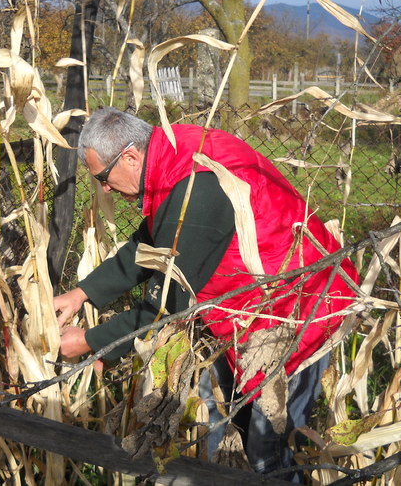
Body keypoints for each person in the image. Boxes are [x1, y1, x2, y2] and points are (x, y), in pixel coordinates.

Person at [53, 107, 358, 478]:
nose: (103, 188)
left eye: (102, 177)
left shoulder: (197, 188)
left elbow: (167, 306)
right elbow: (155, 242)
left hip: (297, 314)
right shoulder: (172, 151)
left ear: (130, 156)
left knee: (266, 452)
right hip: (248, 313)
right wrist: (82, 293)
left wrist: (92, 341)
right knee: (228, 434)